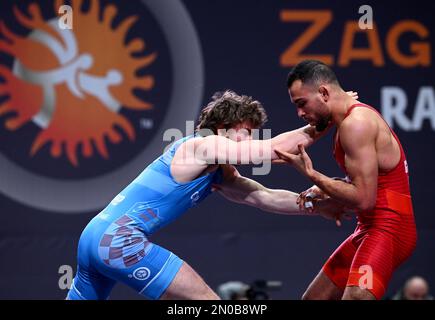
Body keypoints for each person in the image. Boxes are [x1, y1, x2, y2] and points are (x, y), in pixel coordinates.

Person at [67, 90, 342, 300]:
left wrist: (312, 205)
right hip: (118, 241)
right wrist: (328, 115)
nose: (250, 140)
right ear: (222, 127)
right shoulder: (202, 145)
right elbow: (271, 150)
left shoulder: (217, 172)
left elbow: (263, 197)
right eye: (246, 133)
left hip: (92, 238)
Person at [274, 60, 417, 300]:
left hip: (390, 228)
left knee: (357, 298)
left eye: (302, 104)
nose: (300, 113)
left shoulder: (356, 124)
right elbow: (366, 183)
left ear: (323, 93)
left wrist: (313, 176)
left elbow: (364, 199)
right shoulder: (344, 120)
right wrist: (327, 188)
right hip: (369, 227)